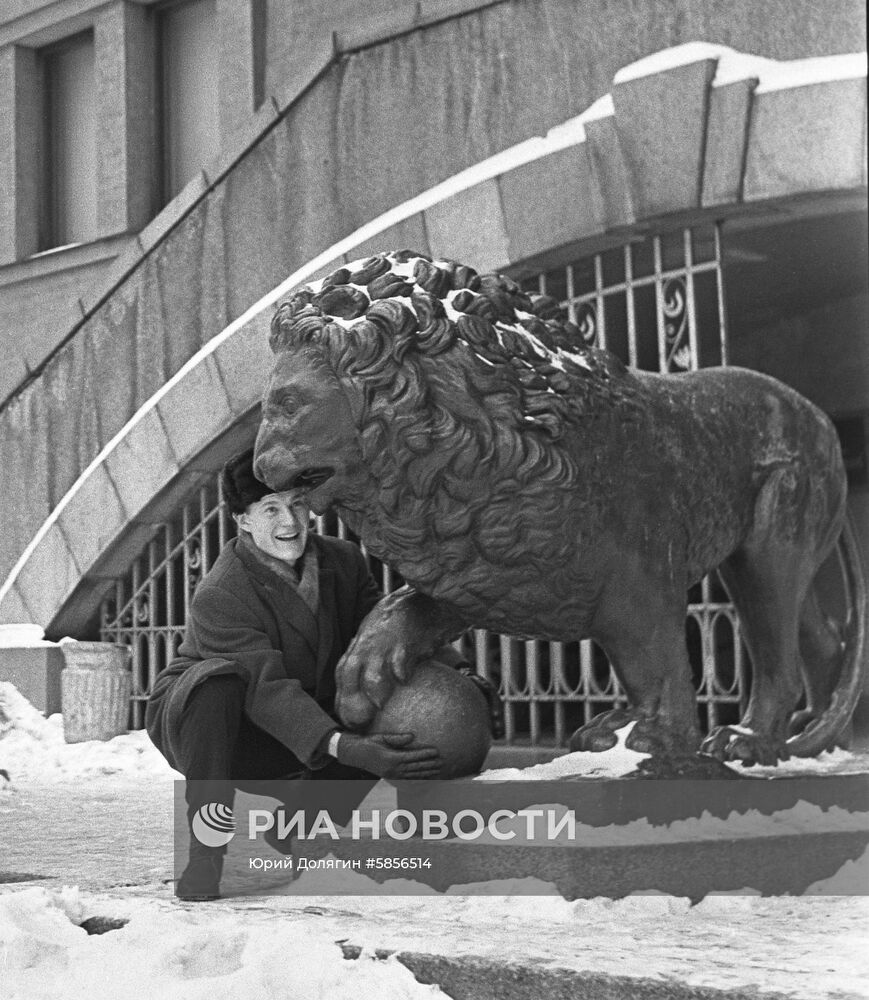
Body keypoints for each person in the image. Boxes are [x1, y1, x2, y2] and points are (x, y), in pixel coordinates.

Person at [146, 448, 444, 901]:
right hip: (216, 726)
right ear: (242, 520)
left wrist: (458, 673)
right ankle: (205, 856)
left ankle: (299, 827)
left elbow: (386, 633)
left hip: (299, 720)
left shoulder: (342, 562)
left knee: (375, 710)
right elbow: (266, 688)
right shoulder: (221, 592)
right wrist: (346, 748)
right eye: (271, 509)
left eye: (298, 505)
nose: (290, 522)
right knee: (219, 685)